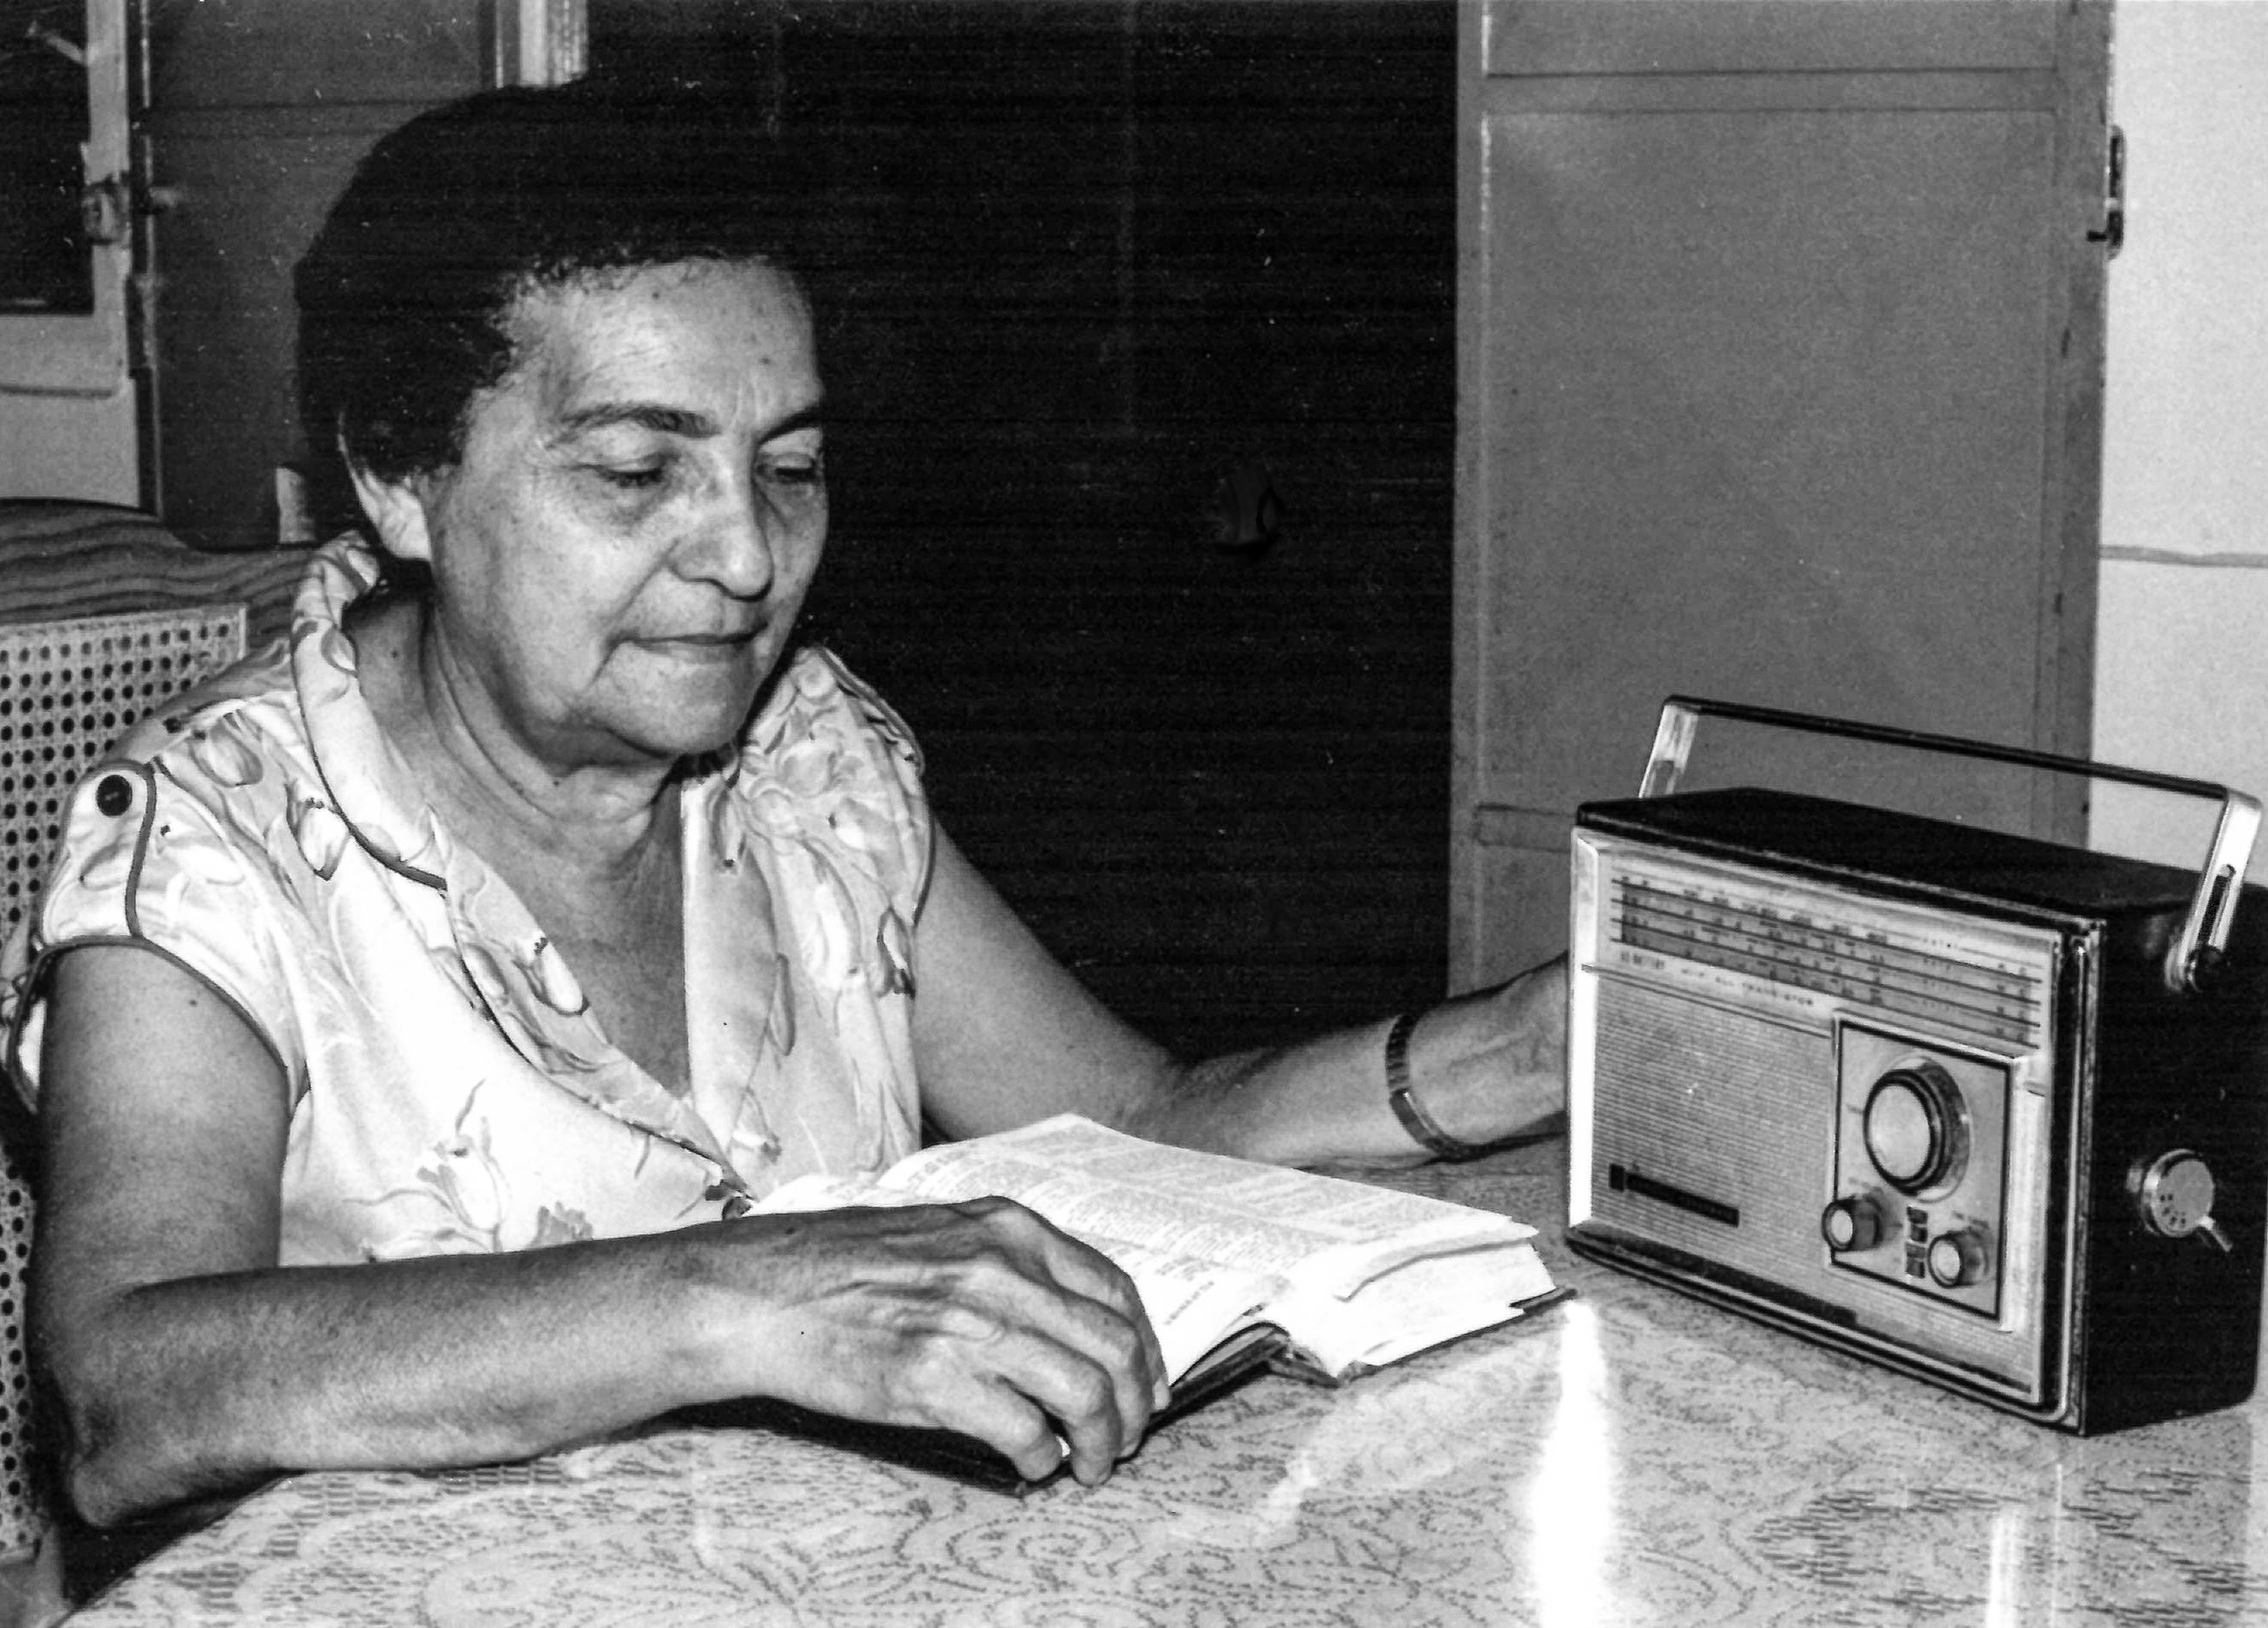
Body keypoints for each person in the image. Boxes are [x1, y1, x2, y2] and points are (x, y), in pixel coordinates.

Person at [0, 80, 1565, 1542]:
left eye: (792, 466)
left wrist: (1515, 1050)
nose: (747, 558)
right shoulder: (211, 840)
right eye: (636, 472)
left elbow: (1130, 1126)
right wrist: (743, 1298)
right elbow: (124, 1389)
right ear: (402, 478)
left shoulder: (809, 758)